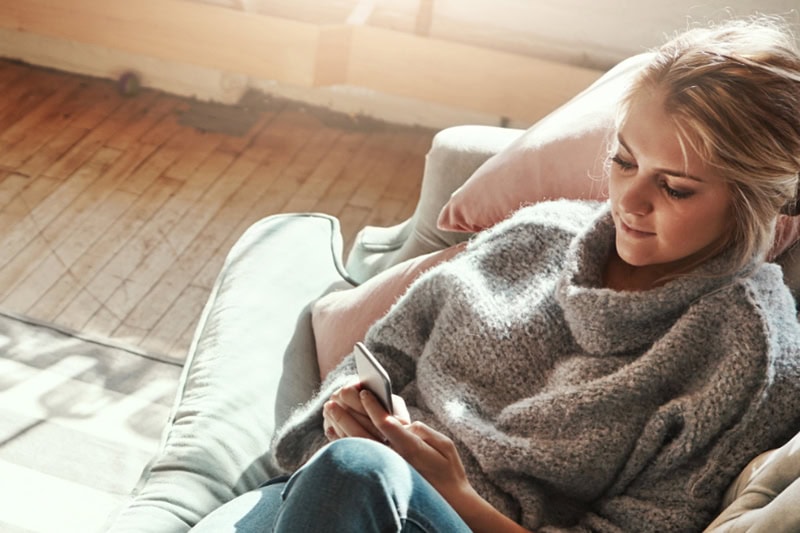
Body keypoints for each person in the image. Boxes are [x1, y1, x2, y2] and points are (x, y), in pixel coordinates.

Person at [191, 17, 800, 532]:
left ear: (756, 201)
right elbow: (379, 357)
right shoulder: (536, 234)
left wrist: (453, 493)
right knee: (343, 472)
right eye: (623, 161)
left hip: (432, 511)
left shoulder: (748, 357)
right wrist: (344, 412)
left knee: (357, 473)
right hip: (333, 495)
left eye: (674, 187)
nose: (629, 202)